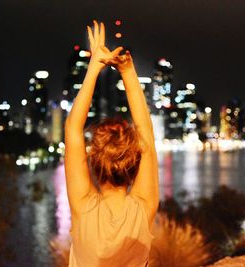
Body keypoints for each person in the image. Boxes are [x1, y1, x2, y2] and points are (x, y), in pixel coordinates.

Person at [64, 21, 159, 267]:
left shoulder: (82, 208)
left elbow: (73, 129)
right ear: (135, 163)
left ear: (93, 162)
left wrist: (94, 67)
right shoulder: (143, 209)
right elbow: (146, 132)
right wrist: (128, 72)